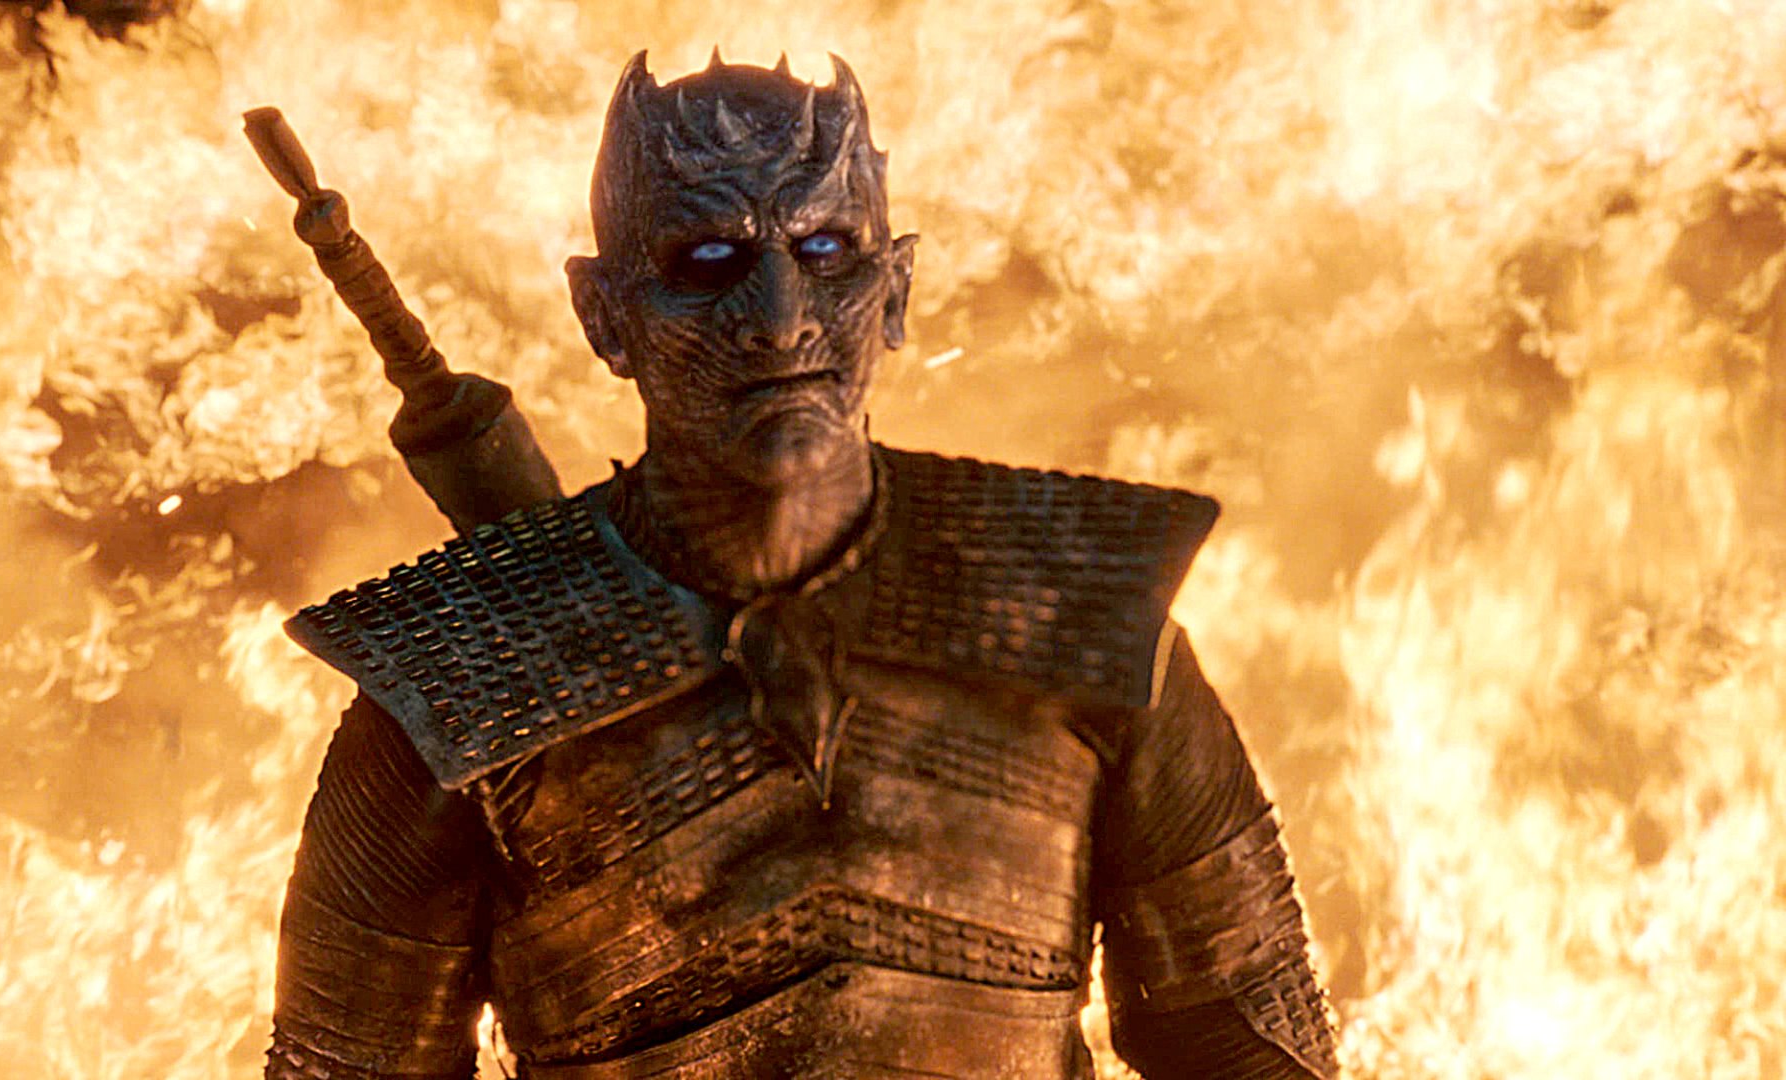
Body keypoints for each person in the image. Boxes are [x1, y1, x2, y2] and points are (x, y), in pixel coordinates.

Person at [265, 51, 1337, 1080]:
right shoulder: (456, 681)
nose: (779, 323)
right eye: (706, 264)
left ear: (896, 287)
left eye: (826, 251)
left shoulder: (1082, 609)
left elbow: (1250, 1051)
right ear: (603, 314)